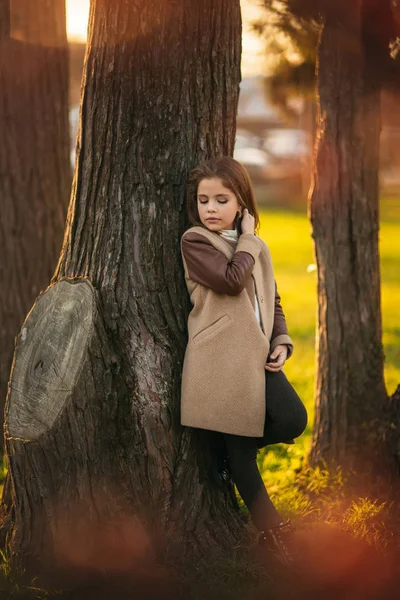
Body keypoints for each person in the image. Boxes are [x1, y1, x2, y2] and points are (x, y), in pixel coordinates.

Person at [179, 156, 308, 564]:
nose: (211, 209)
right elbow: (231, 282)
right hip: (220, 362)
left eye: (221, 199)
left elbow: (272, 298)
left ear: (241, 203)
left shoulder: (255, 246)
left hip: (258, 357)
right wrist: (249, 239)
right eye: (204, 200)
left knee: (292, 419)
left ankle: (226, 455)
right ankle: (273, 534)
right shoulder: (196, 241)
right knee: (243, 455)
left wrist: (282, 340)